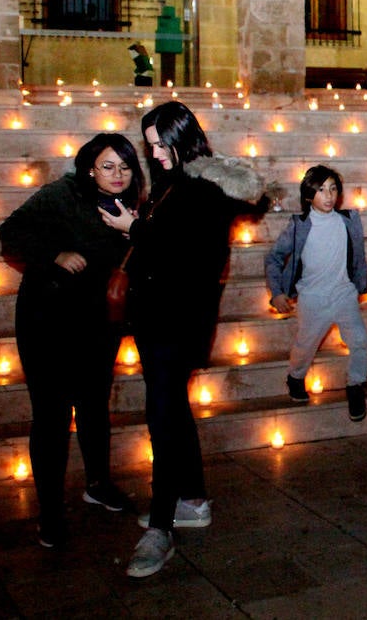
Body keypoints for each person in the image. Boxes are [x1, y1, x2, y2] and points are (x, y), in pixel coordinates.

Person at [101, 101, 265, 579]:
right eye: (149, 145)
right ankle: (191, 499)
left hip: (178, 322)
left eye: (161, 144)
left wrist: (132, 227)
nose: (155, 153)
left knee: (163, 419)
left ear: (184, 137)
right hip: (157, 320)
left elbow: (189, 258)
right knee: (171, 410)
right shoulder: (174, 185)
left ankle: (160, 525)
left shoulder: (205, 189)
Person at [0, 134, 145, 549]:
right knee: (52, 415)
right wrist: (55, 256)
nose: (118, 175)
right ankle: (49, 511)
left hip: (98, 323)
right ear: (88, 169)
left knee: (95, 406)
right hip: (48, 320)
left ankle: (97, 483)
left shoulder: (130, 204)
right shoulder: (61, 195)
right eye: (108, 166)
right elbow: (11, 232)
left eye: (125, 166)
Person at [266, 165, 367, 421]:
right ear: (309, 195)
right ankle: (295, 376)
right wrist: (278, 292)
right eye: (322, 189)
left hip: (344, 293)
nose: (329, 195)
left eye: (333, 189)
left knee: (360, 341)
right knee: (306, 345)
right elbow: (275, 257)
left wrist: (359, 283)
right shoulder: (300, 225)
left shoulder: (349, 221)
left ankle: (355, 386)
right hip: (313, 297)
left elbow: (358, 255)